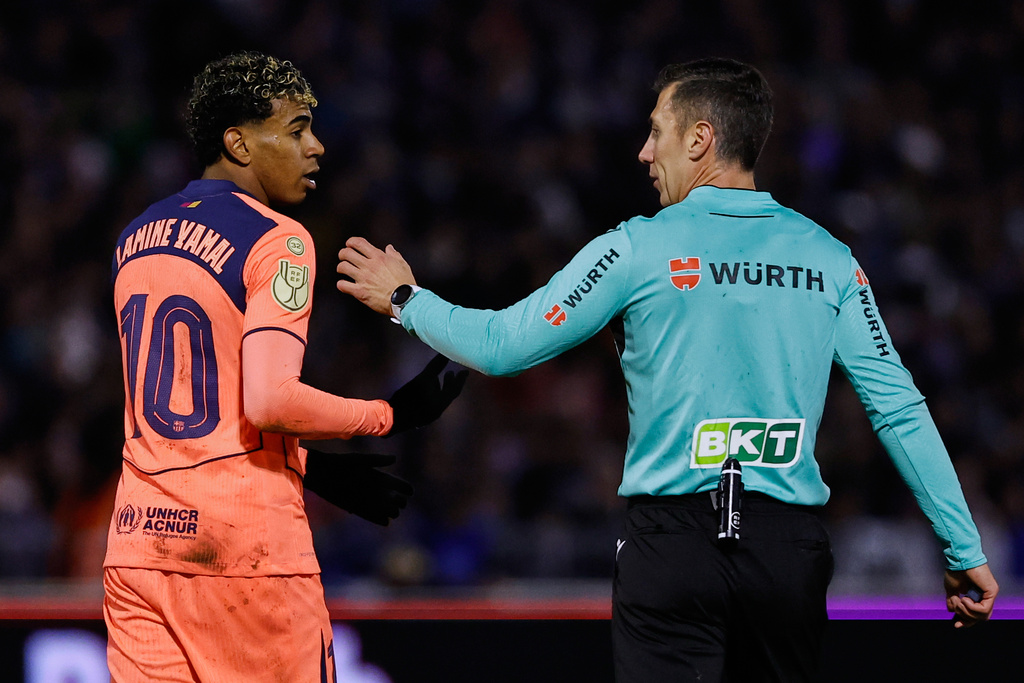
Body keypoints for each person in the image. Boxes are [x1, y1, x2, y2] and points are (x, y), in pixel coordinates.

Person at [335, 57, 998, 682]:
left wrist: (405, 301)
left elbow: (503, 344)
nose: (644, 153)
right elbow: (898, 406)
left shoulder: (636, 247)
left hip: (672, 545)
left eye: (656, 133)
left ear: (701, 139)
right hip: (785, 551)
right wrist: (962, 546)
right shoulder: (829, 258)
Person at [104, 51, 465, 682]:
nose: (317, 147)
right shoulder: (279, 238)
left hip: (138, 543)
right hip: (247, 554)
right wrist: (388, 414)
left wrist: (307, 465)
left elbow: (195, 404)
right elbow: (267, 400)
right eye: (296, 130)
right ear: (238, 143)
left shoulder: (133, 237)